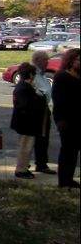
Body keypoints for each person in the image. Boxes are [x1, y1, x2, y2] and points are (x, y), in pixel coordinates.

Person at [51, 48, 80, 188]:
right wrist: (61, 120)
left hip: (78, 120)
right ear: (71, 61)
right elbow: (58, 100)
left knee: (74, 152)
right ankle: (63, 181)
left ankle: (69, 178)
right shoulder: (62, 77)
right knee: (67, 150)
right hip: (66, 120)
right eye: (78, 60)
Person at [11, 62, 45, 180]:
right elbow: (25, 106)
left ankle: (24, 166)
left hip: (27, 123)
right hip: (26, 123)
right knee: (25, 146)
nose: (34, 76)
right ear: (30, 75)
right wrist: (38, 100)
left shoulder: (25, 87)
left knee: (27, 146)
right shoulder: (23, 88)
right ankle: (21, 169)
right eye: (34, 74)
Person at [31, 50, 55, 175]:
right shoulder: (34, 74)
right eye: (45, 60)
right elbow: (37, 92)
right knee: (40, 139)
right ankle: (41, 164)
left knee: (44, 139)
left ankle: (42, 163)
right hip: (39, 113)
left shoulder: (42, 75)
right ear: (38, 61)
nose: (47, 62)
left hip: (45, 112)